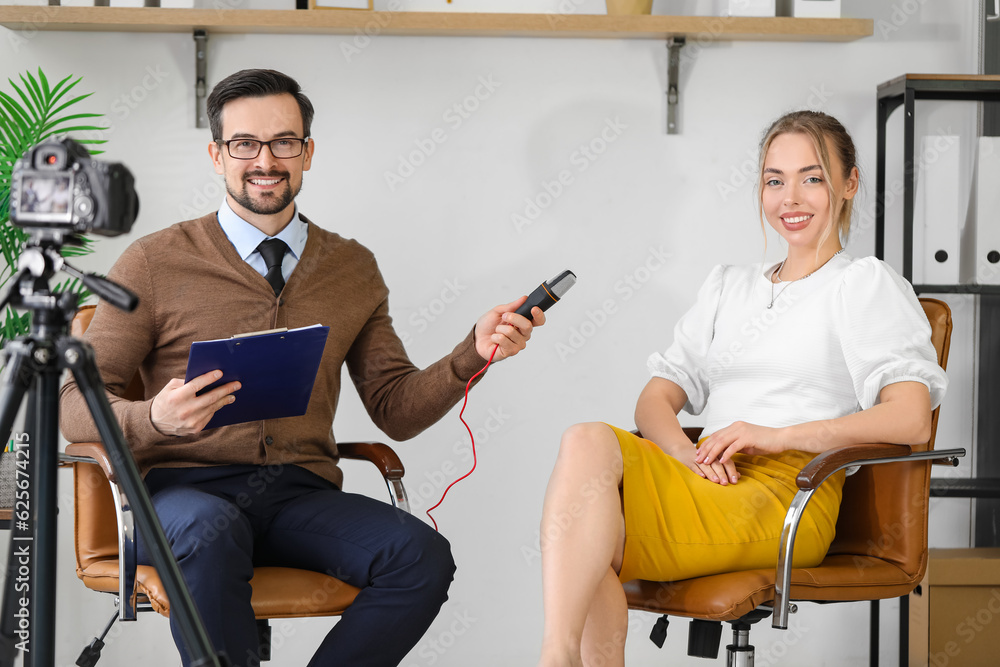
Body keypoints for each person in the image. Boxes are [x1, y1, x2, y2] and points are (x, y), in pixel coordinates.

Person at [59, 68, 545, 667]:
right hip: (184, 490)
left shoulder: (351, 266)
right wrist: (155, 418)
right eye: (245, 144)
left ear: (308, 151)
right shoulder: (153, 262)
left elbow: (395, 408)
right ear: (217, 154)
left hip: (297, 494)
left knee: (421, 556)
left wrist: (472, 352)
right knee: (215, 530)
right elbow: (74, 406)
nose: (266, 160)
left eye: (285, 141)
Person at [534, 110, 948, 667]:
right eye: (775, 180)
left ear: (849, 184)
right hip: (704, 475)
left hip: (790, 496)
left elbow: (910, 419)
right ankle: (555, 656)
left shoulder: (863, 285)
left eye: (813, 177)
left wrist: (777, 437)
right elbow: (655, 400)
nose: (790, 198)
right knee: (585, 446)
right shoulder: (729, 285)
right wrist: (685, 454)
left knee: (588, 545)